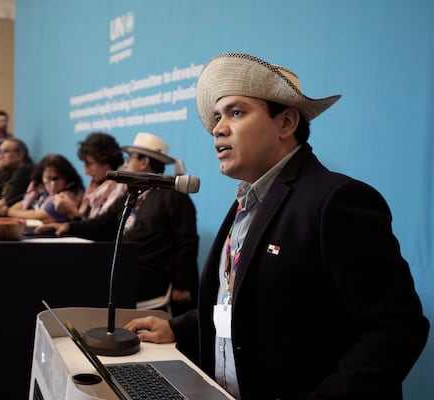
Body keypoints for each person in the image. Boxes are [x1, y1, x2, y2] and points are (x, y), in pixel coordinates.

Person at [124, 53, 429, 399]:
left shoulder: (338, 201)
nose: (218, 129)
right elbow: (247, 304)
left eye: (236, 113)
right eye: (217, 117)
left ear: (286, 123)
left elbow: (396, 328)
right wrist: (177, 328)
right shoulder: (246, 202)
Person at [36, 132, 199, 316]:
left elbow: (186, 242)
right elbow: (101, 224)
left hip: (149, 277)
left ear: (144, 162)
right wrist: (68, 226)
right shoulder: (130, 195)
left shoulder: (174, 196)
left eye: (130, 159)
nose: (125, 164)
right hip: (125, 269)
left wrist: (182, 284)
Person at [0, 153, 85, 223]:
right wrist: (4, 209)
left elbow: (41, 216)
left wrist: (6, 211)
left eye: (56, 178)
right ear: (41, 177)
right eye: (48, 178)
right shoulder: (39, 191)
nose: (52, 184)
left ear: (67, 177)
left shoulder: (69, 196)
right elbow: (21, 205)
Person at [54, 132, 126, 221]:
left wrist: (72, 212)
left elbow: (102, 231)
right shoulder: (95, 189)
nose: (86, 172)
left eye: (89, 164)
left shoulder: (121, 191)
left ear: (106, 160)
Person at [0, 138, 34, 210]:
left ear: (19, 156)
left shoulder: (25, 170)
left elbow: (8, 204)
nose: (1, 156)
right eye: (0, 152)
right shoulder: (6, 170)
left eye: (5, 152)